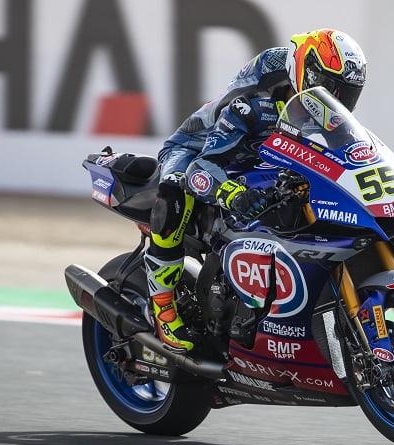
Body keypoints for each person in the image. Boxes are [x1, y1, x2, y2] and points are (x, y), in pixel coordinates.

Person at [145, 28, 367, 353]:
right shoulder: (254, 102)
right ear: (307, 72)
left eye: (347, 92)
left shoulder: (318, 105)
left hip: (255, 151)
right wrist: (234, 194)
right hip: (197, 149)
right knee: (176, 189)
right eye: (331, 87)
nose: (338, 98)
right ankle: (162, 305)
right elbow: (203, 168)